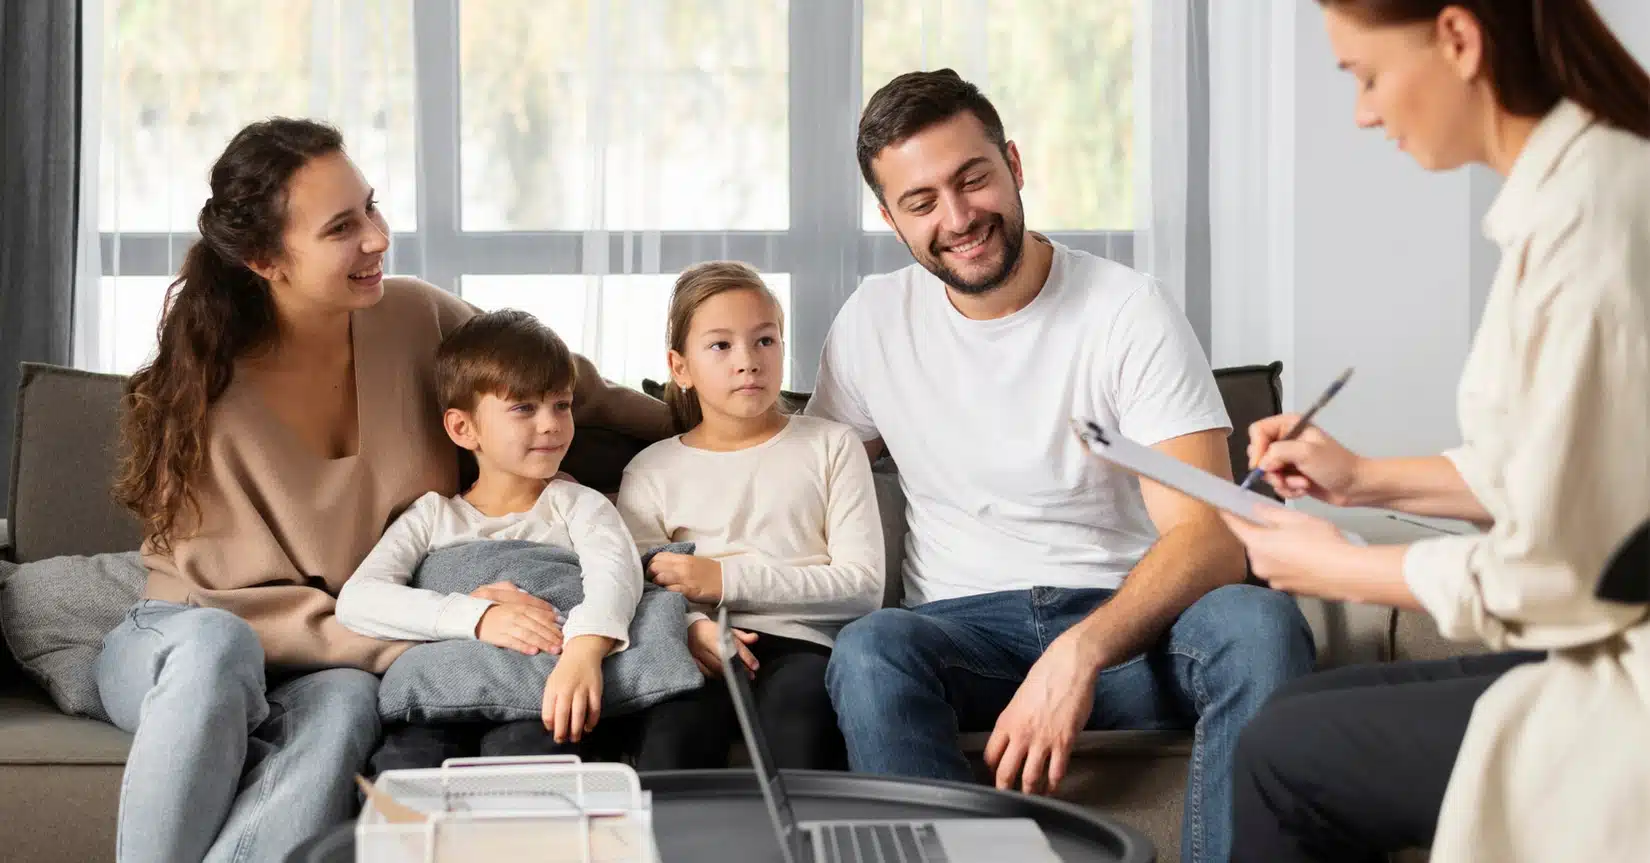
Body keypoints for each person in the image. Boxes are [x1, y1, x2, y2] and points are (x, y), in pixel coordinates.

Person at [98, 118, 671, 863]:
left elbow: (567, 387)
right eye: (342, 226)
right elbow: (227, 605)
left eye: (370, 208)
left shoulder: (414, 317)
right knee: (219, 646)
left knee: (345, 706)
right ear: (267, 259)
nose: (376, 237)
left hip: (335, 664)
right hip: (183, 639)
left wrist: (728, 428)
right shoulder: (204, 385)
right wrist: (458, 618)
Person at [806, 70, 1316, 863]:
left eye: (972, 178)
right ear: (889, 218)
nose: (958, 217)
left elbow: (1210, 536)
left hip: (1132, 627)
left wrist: (1078, 652)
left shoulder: (1126, 309)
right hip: (961, 635)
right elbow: (796, 478)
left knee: (1261, 626)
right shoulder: (874, 320)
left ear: (1012, 162)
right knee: (869, 650)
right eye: (922, 201)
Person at [1221, 3, 1650, 861]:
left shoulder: (1590, 220)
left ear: (1459, 38)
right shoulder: (1577, 188)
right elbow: (1570, 472)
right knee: (1283, 720)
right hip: (1603, 629)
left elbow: (1558, 567)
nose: (1364, 113)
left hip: (1625, 673)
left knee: (1279, 754)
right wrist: (1363, 477)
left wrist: (1339, 566)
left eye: (1366, 76)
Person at [336, 310, 645, 767]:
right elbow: (358, 600)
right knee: (408, 765)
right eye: (524, 407)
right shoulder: (431, 516)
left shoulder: (578, 503)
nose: (551, 424)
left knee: (529, 754)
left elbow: (616, 576)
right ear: (463, 428)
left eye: (561, 405)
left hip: (543, 687)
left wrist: (583, 655)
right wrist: (479, 617)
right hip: (446, 694)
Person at [617, 261, 884, 770]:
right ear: (680, 368)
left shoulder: (832, 445)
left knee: (800, 719)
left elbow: (863, 586)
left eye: (765, 341)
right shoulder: (651, 471)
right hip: (693, 646)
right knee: (669, 739)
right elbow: (635, 588)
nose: (749, 362)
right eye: (721, 346)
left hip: (803, 647)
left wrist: (721, 579)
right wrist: (692, 629)